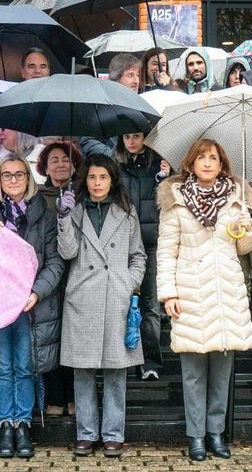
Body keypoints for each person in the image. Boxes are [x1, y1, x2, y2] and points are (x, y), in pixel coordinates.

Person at [157, 139, 252, 461]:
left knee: (222, 371)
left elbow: (242, 248)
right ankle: (196, 436)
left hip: (225, 291)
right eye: (201, 157)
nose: (207, 162)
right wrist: (168, 292)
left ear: (222, 163)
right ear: (191, 162)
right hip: (190, 292)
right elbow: (166, 251)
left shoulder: (236, 199)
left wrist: (248, 227)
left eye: (213, 157)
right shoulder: (176, 201)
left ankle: (216, 433)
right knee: (193, 371)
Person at [0, 155, 62, 459]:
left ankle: (23, 423)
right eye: (7, 175)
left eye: (19, 174)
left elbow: (54, 263)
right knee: (1, 366)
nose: (13, 180)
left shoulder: (45, 216)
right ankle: (5, 425)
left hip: (28, 305)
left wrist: (37, 292)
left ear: (29, 178)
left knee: (25, 365)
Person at [59, 154, 146, 458]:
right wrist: (64, 218)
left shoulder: (127, 212)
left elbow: (138, 256)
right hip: (82, 298)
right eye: (93, 178)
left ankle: (113, 434)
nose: (97, 184)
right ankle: (85, 434)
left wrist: (128, 282)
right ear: (85, 180)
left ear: (112, 180)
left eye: (103, 177)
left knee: (115, 371)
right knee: (83, 372)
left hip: (116, 297)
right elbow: (68, 252)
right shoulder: (75, 210)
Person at [114, 132, 171, 381]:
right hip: (121, 242)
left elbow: (168, 202)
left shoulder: (158, 166)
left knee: (150, 303)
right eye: (126, 137)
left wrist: (164, 179)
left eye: (136, 136)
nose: (131, 141)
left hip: (150, 241)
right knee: (120, 302)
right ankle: (122, 358)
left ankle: (150, 361)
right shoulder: (115, 166)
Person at [34, 141, 80, 418]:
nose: (61, 164)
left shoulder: (82, 193)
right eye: (54, 160)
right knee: (50, 334)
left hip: (76, 272)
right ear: (45, 167)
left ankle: (74, 395)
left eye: (66, 159)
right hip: (48, 274)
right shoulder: (38, 196)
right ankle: (54, 395)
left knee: (72, 336)